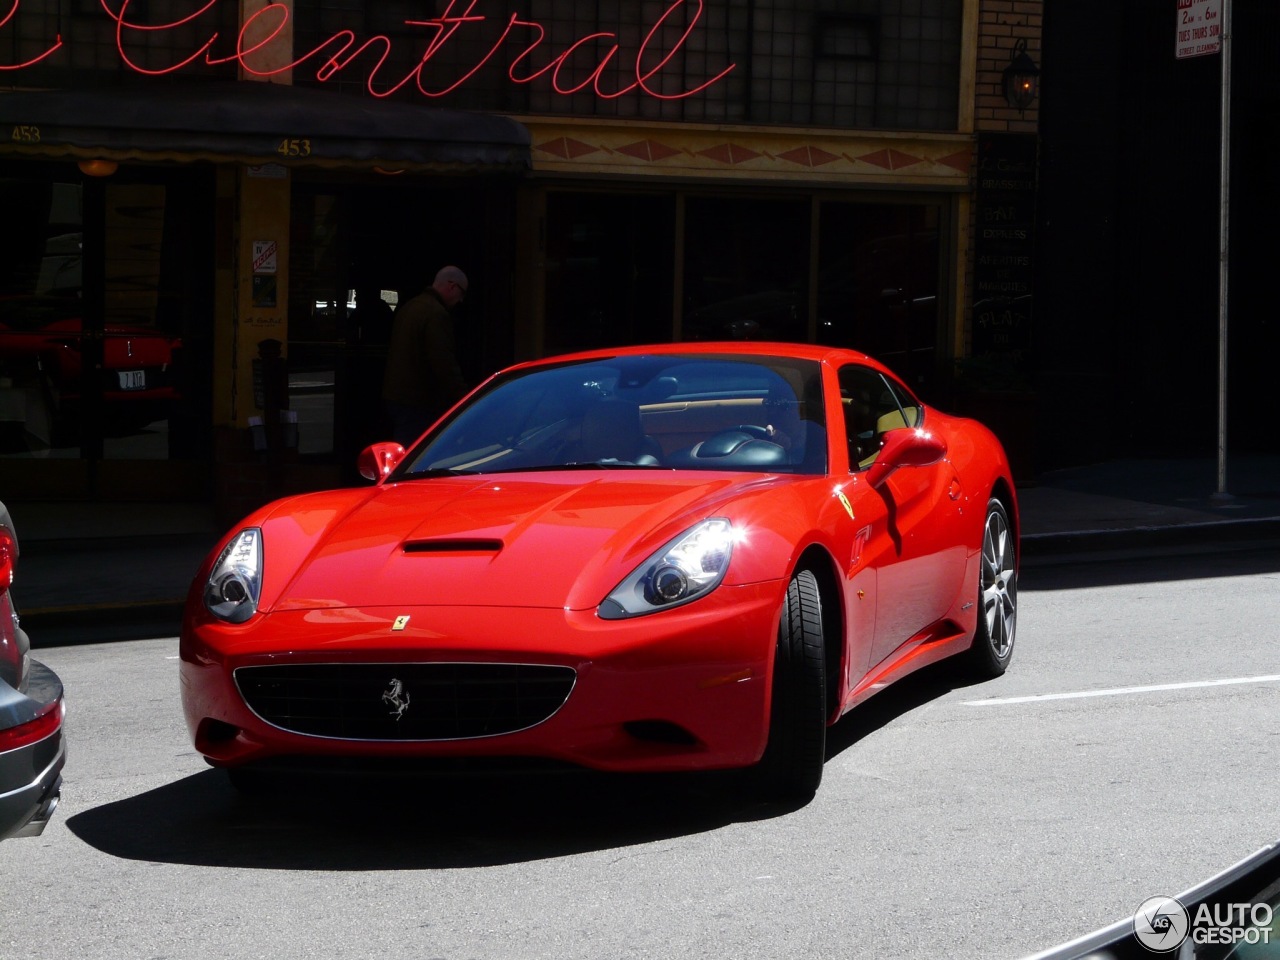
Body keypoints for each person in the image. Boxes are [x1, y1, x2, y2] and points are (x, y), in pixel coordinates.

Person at [381, 265, 470, 446]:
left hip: (396, 394)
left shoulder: (410, 306)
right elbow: (443, 362)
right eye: (461, 294)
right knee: (418, 450)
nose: (460, 301)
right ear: (452, 286)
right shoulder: (437, 314)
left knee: (405, 445)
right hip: (419, 399)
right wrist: (462, 397)